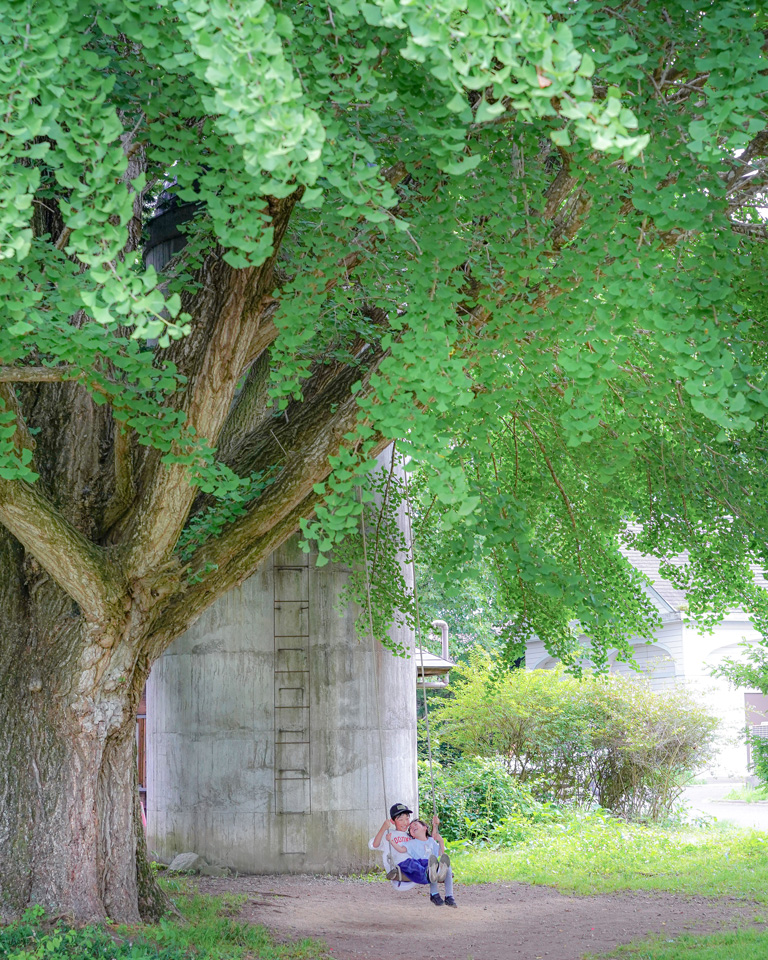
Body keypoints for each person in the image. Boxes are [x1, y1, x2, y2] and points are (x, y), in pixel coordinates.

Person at [387, 814, 457, 907]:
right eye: (411, 828)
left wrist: (441, 841)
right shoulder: (411, 843)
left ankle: (449, 897)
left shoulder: (431, 841)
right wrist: (390, 841)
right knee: (431, 866)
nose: (412, 827)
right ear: (411, 834)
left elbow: (441, 853)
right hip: (422, 865)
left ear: (425, 828)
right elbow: (401, 849)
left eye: (415, 824)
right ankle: (434, 893)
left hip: (433, 864)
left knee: (446, 867)